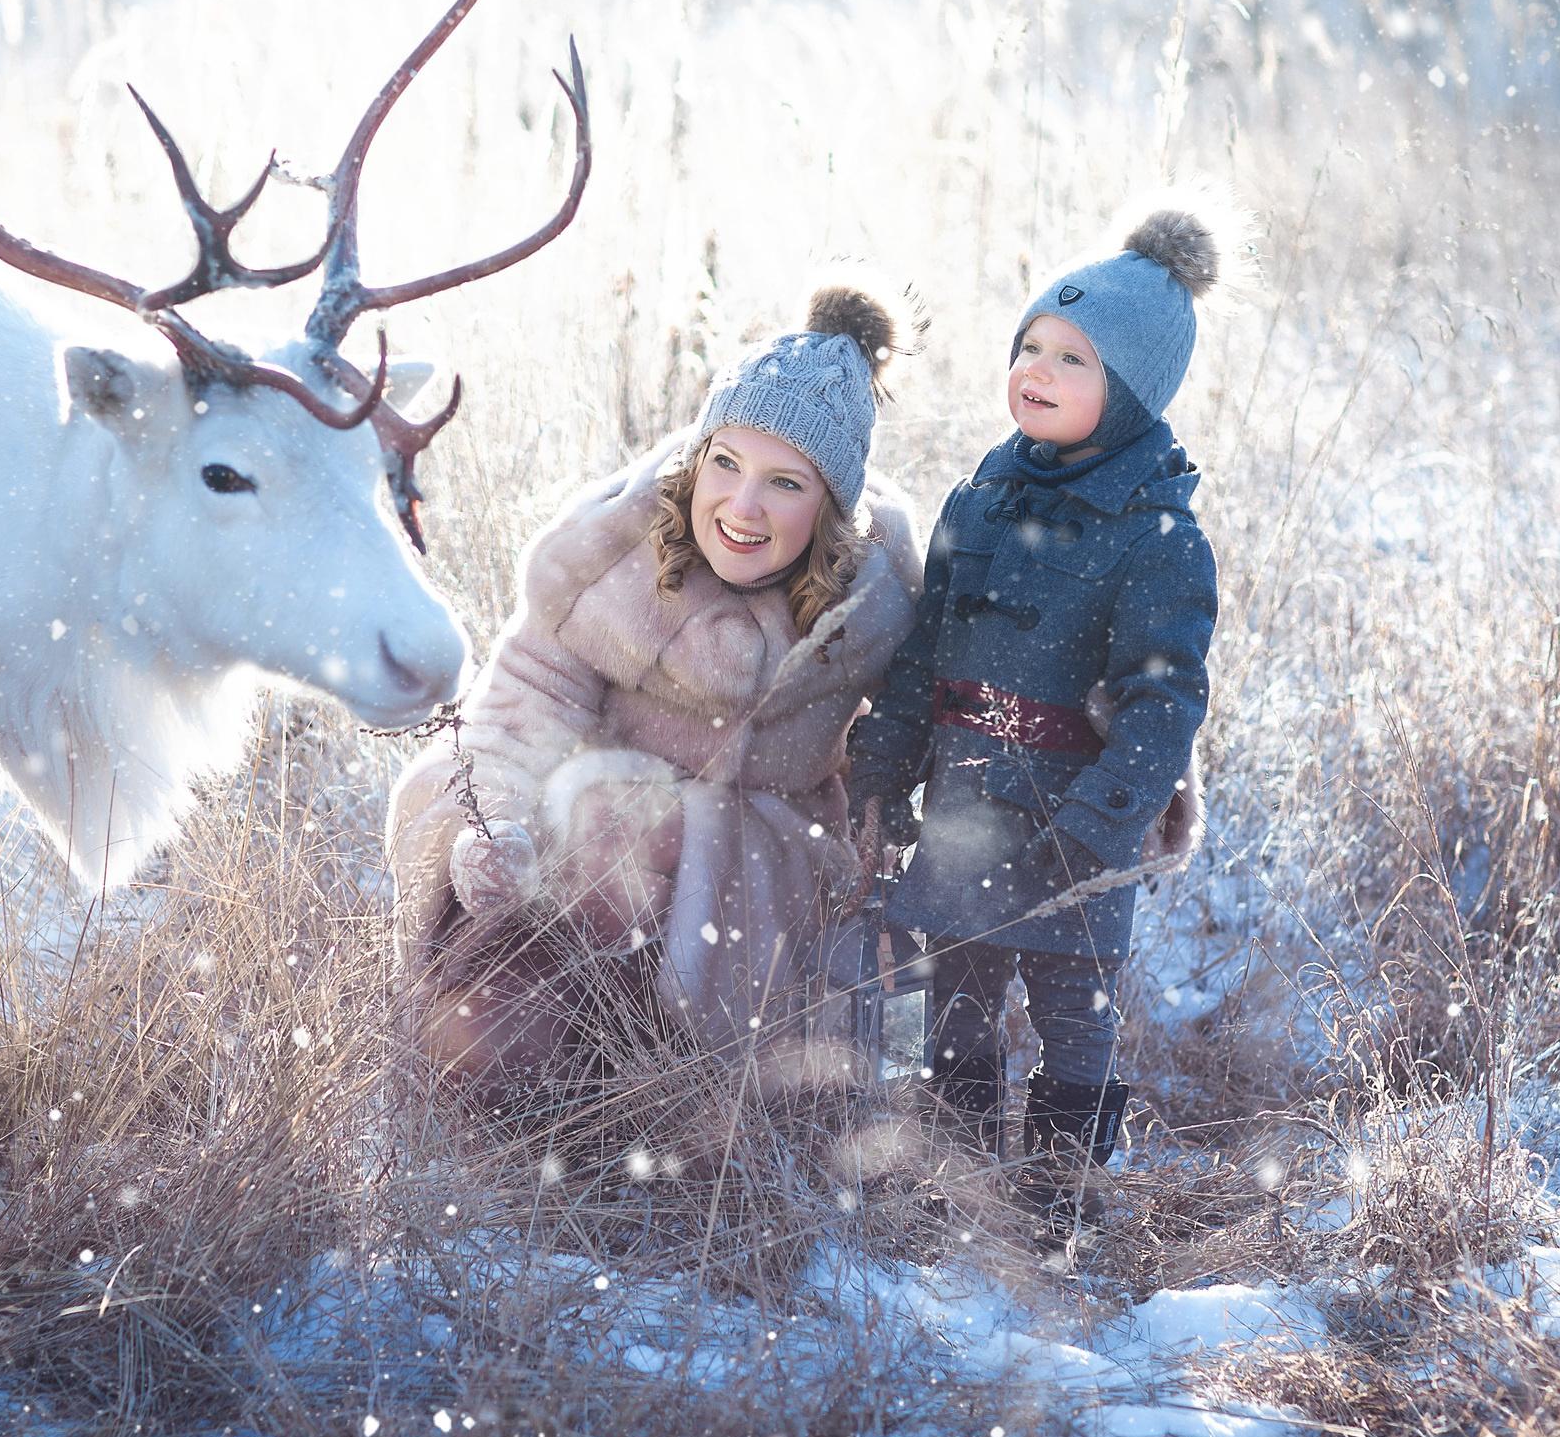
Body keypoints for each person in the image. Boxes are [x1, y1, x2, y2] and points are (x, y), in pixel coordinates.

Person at [386, 283, 922, 1089]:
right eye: (726, 464)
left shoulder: (872, 602)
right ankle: (523, 1067)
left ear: (830, 505)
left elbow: (905, 747)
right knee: (586, 826)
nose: (743, 505)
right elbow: (516, 712)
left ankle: (663, 1080)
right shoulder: (615, 554)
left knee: (642, 829)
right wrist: (496, 824)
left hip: (757, 883)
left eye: (785, 483)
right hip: (580, 869)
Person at [846, 206, 1220, 1232]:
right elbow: (922, 656)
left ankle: (1059, 1208)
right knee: (958, 1005)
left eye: (1072, 359)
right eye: (1029, 348)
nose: (1036, 371)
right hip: (967, 805)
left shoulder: (1156, 534)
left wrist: (1099, 826)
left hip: (1071, 820)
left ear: (1132, 390)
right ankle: (961, 1197)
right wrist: (881, 770)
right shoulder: (980, 500)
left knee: (1072, 1014)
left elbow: (1164, 704)